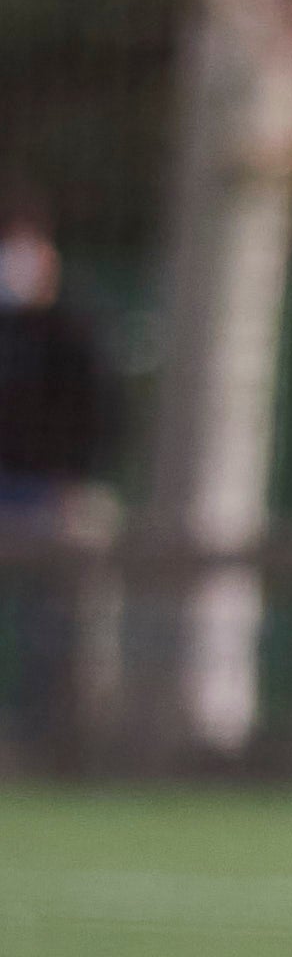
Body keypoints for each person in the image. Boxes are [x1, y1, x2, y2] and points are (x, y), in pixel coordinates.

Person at [0, 190, 118, 741]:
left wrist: (77, 480)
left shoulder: (73, 326)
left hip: (50, 492)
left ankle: (60, 732)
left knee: (55, 623)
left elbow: (100, 412)